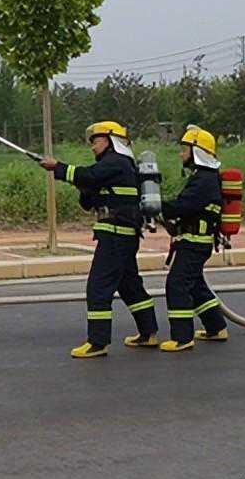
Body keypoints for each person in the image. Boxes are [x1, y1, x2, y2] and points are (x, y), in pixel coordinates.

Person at [40, 121, 159, 358]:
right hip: (120, 234)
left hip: (116, 234)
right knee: (129, 285)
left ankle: (98, 342)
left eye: (96, 141)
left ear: (111, 140)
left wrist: (58, 167)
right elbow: (88, 200)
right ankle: (149, 332)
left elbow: (88, 175)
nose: (92, 146)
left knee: (98, 287)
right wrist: (83, 187)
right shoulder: (112, 166)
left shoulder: (117, 162)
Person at [158, 125, 228, 351]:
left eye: (185, 149)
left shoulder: (204, 180)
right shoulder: (204, 177)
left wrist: (156, 204)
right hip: (194, 241)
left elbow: (183, 205)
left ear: (197, 151)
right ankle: (216, 327)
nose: (181, 154)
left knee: (177, 284)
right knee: (195, 285)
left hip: (195, 243)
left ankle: (182, 337)